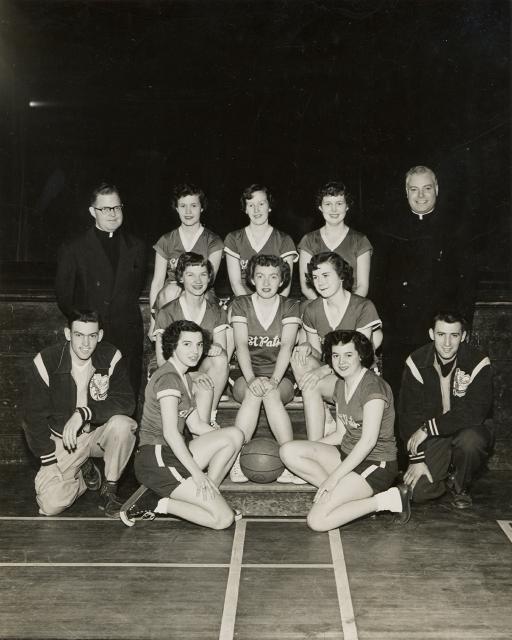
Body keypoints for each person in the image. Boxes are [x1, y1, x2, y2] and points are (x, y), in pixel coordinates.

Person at [119, 320, 244, 528]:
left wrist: (229, 437)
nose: (195, 350)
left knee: (235, 435)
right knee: (223, 520)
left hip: (172, 453)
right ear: (172, 346)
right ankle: (157, 502)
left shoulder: (184, 377)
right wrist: (196, 473)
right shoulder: (168, 378)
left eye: (198, 344)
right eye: (187, 344)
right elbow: (170, 433)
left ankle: (210, 496)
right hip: (156, 458)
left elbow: (195, 426)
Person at [281, 330, 410, 530]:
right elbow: (341, 434)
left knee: (317, 521)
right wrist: (308, 448)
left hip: (376, 464)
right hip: (347, 454)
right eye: (336, 356)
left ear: (360, 355)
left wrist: (334, 478)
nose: (341, 361)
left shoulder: (373, 388)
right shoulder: (341, 384)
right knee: (288, 450)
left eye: (348, 355)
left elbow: (368, 442)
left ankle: (387, 500)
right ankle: (345, 496)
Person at [23, 310, 137, 518]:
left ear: (100, 336)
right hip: (63, 440)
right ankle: (83, 475)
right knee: (50, 505)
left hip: (97, 434)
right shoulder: (46, 361)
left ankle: (109, 489)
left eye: (92, 336)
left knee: (124, 425)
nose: (85, 343)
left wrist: (84, 413)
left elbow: (126, 402)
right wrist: (48, 459)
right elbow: (32, 416)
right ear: (68, 333)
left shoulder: (111, 356)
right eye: (79, 335)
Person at [372, 165, 476, 396]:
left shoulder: (455, 228)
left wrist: (462, 323)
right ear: (406, 192)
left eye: (427, 188)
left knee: (440, 391)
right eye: (414, 189)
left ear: (436, 189)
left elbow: (467, 282)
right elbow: (378, 282)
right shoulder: (389, 229)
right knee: (400, 389)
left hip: (441, 327)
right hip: (399, 328)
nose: (420, 196)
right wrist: (384, 324)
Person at [55, 182, 146, 398]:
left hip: (127, 336)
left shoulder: (137, 247)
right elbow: (65, 297)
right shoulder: (74, 249)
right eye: (105, 209)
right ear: (92, 212)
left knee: (125, 397)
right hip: (91, 338)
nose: (113, 214)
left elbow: (132, 291)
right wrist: (88, 327)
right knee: (89, 397)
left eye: (116, 207)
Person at [399, 311, 493, 509]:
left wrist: (428, 428)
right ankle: (445, 475)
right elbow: (408, 414)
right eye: (441, 334)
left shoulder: (478, 361)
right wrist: (417, 459)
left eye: (454, 335)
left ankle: (461, 487)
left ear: (464, 336)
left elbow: (475, 411)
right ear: (432, 334)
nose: (447, 343)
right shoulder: (416, 361)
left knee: (471, 442)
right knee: (418, 493)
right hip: (435, 436)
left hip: (466, 429)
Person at [228, 254, 304, 484]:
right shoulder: (241, 303)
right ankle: (236, 459)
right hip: (245, 374)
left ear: (282, 281)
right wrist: (251, 379)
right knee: (254, 391)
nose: (266, 282)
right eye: (260, 276)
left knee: (270, 392)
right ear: (251, 279)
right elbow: (240, 345)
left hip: (281, 376)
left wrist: (273, 380)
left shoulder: (290, 305)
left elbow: (286, 347)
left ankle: (291, 462)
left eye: (273, 277)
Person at [291, 252, 383, 441]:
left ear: (341, 276)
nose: (320, 282)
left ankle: (321, 438)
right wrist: (307, 346)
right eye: (315, 277)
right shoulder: (311, 309)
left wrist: (322, 371)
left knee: (312, 384)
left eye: (326, 276)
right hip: (334, 377)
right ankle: (315, 441)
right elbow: (317, 352)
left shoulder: (363, 307)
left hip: (358, 380)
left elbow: (360, 357)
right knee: (299, 357)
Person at [152, 252, 231, 428]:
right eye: (190, 274)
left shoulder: (216, 311)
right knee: (201, 384)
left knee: (219, 358)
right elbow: (161, 361)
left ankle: (210, 416)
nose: (198, 280)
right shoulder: (167, 312)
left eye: (203, 274)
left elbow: (222, 349)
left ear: (210, 278)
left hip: (203, 373)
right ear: (180, 277)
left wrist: (215, 347)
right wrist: (192, 375)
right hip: (173, 374)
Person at [148, 183, 224, 339]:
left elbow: (208, 279)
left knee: (175, 289)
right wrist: (153, 322)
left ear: (202, 208)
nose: (188, 211)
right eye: (183, 206)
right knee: (170, 290)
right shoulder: (167, 240)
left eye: (194, 205)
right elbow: (157, 282)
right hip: (171, 299)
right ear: (176, 208)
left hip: (202, 294)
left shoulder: (213, 240)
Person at [298, 181, 372, 299]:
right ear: (320, 207)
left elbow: (362, 287)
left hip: (351, 308)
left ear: (347, 206)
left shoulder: (360, 241)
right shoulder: (309, 240)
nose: (334, 209)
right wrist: (325, 310)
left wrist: (345, 310)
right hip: (317, 307)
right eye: (328, 204)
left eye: (339, 203)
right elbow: (306, 287)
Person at [224, 184, 298, 297]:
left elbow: (285, 286)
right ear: (245, 209)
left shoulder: (284, 240)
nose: (256, 209)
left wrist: (275, 309)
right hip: (243, 302)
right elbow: (236, 284)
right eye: (251, 205)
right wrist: (250, 309)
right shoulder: (233, 238)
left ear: (269, 207)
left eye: (261, 204)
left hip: (274, 304)